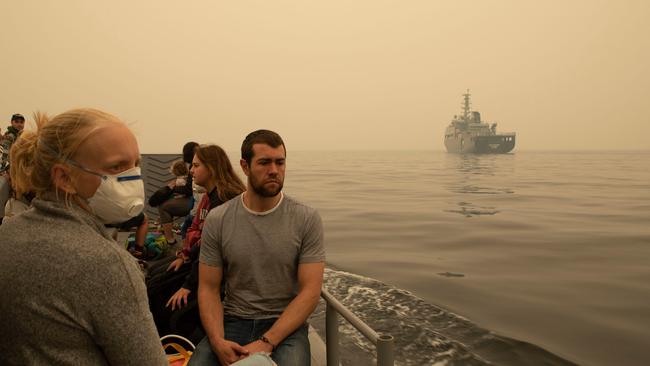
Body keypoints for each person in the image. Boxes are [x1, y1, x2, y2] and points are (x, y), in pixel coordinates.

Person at [0, 109, 167, 365]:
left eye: (136, 164)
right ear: (64, 178)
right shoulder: (106, 263)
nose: (133, 177)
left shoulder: (8, 233)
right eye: (116, 167)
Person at [189, 130, 325, 366]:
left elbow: (310, 292)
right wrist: (217, 340)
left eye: (280, 162)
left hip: (285, 326)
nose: (274, 170)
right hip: (233, 320)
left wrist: (267, 342)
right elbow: (208, 288)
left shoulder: (306, 218)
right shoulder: (219, 218)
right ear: (245, 166)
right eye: (264, 162)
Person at [147, 144, 245, 340]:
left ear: (212, 167)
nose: (191, 171)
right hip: (203, 263)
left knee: (165, 305)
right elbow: (202, 240)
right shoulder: (210, 197)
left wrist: (188, 286)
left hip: (222, 276)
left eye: (196, 166)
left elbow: (212, 251)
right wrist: (184, 256)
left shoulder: (224, 200)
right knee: (154, 277)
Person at [158, 142, 198, 244]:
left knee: (163, 207)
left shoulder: (191, 168)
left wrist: (173, 188)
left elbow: (188, 190)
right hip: (194, 198)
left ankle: (170, 239)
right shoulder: (194, 166)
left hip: (193, 201)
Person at [0, 113, 25, 225]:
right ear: (12, 122)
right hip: (9, 170)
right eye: (17, 122)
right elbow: (5, 155)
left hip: (17, 169)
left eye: (21, 122)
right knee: (3, 186)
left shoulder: (22, 136)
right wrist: (4, 171)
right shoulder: (10, 136)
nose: (19, 124)